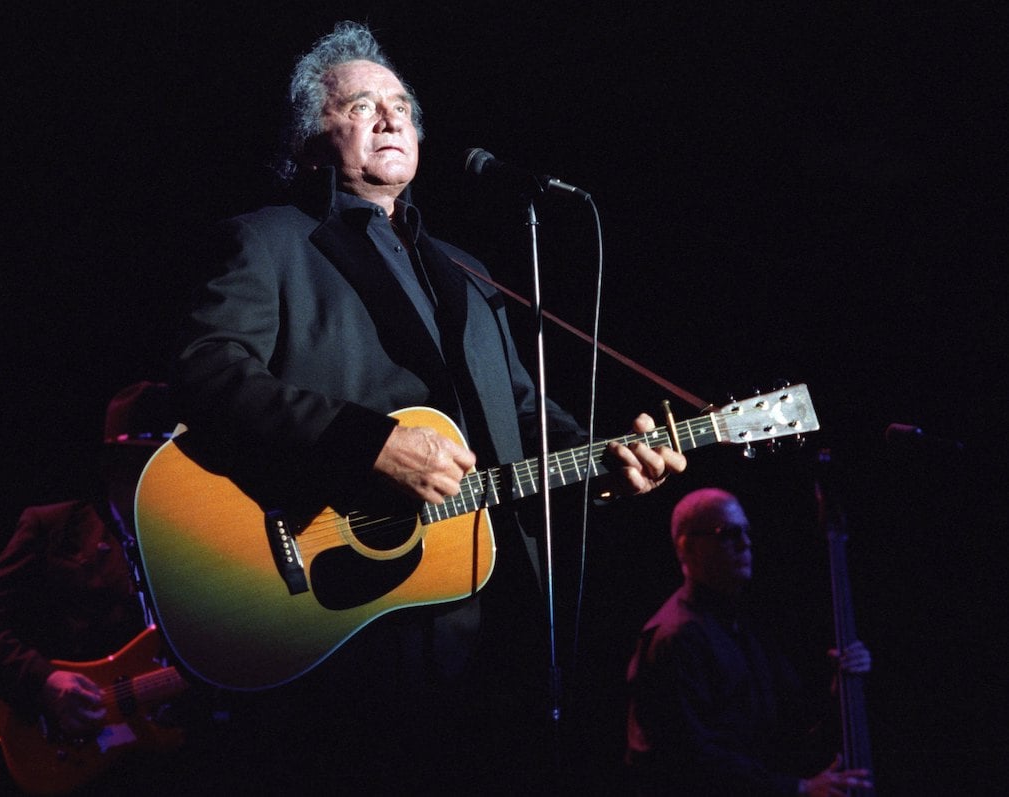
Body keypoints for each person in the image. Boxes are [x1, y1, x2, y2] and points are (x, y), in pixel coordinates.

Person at [166, 20, 686, 789]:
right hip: (340, 625)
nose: (390, 116)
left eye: (401, 104)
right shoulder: (270, 241)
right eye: (360, 104)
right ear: (312, 139)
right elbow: (206, 373)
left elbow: (521, 412)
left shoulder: (471, 275)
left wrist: (607, 460)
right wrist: (367, 443)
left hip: (487, 625)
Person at [0, 381, 198, 792]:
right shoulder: (55, 528)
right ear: (117, 463)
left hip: (175, 754)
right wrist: (44, 681)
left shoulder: (193, 546)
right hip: (79, 749)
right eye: (150, 462)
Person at [624, 487, 874, 795]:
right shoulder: (676, 637)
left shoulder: (744, 625)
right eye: (728, 533)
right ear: (687, 549)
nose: (745, 543)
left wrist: (841, 684)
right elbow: (691, 761)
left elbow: (785, 732)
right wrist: (799, 789)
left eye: (746, 531)